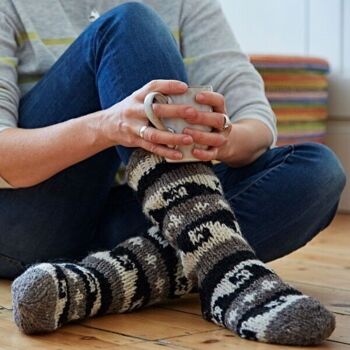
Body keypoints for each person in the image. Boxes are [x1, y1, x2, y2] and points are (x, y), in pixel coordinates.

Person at [0, 0, 346, 345]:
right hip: (32, 220)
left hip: (141, 218)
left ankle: (91, 284)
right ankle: (223, 267)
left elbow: (254, 118)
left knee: (316, 174)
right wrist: (107, 127)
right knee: (128, 24)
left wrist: (223, 139)